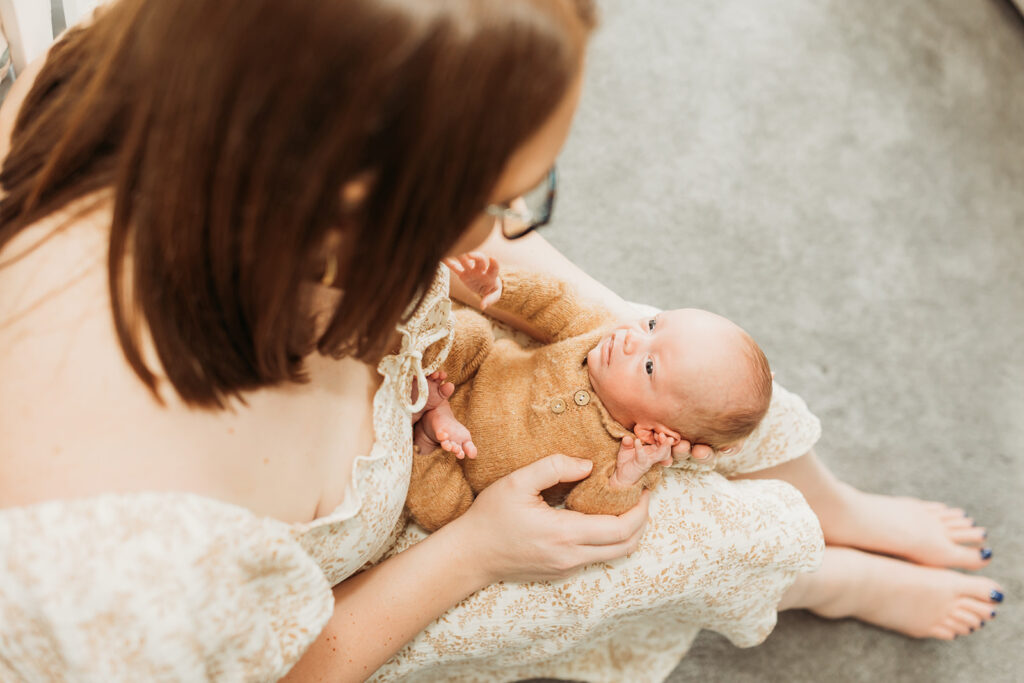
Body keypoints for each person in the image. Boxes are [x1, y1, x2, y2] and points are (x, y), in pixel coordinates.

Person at [0, 1, 1002, 682]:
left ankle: (835, 504)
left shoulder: (147, 69)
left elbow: (537, 283)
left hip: (440, 379)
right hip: (406, 555)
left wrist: (601, 328)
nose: (510, 229)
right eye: (489, 197)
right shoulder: (114, 569)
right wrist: (479, 549)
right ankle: (817, 567)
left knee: (706, 366)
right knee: (713, 532)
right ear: (348, 198)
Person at [406, 255, 773, 529]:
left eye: (648, 366)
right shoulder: (596, 332)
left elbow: (590, 507)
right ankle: (422, 383)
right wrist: (502, 288)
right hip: (475, 370)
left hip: (462, 463)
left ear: (653, 430)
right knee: (471, 330)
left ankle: (425, 435)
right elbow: (554, 301)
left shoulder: (630, 455)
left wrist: (624, 479)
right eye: (651, 324)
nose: (631, 337)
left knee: (446, 515)